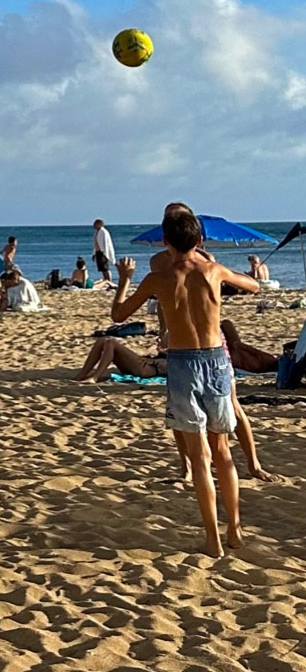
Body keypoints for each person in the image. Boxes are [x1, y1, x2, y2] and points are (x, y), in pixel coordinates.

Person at [110, 202, 261, 555]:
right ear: (199, 239)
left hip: (182, 364)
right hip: (215, 361)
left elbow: (118, 314)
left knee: (200, 456)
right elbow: (253, 285)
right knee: (222, 452)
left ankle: (213, 539)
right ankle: (234, 530)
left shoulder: (158, 277)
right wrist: (229, 271)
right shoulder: (213, 270)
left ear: (165, 241)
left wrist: (123, 280)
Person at [92, 218, 117, 284]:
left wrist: (105, 253)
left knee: (105, 268)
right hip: (98, 252)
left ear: (99, 224)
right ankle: (106, 280)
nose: (94, 225)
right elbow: (96, 243)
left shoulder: (103, 232)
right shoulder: (97, 232)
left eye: (95, 224)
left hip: (103, 252)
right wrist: (94, 253)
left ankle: (109, 281)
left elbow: (106, 243)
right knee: (102, 269)